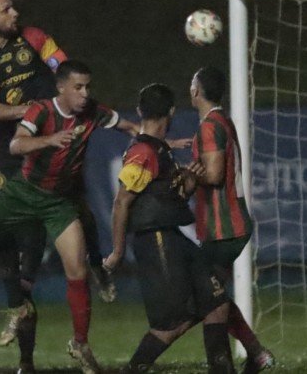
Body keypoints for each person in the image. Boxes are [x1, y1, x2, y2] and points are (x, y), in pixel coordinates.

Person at [0, 60, 140, 374]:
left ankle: (79, 343)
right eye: (78, 87)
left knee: (76, 268)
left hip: (57, 203)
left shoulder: (93, 112)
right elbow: (16, 143)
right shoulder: (42, 110)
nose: (85, 93)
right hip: (23, 193)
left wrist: (149, 137)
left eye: (88, 86)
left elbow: (128, 126)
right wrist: (48, 141)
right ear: (61, 87)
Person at [0, 0, 114, 369]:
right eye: (5, 8)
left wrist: (72, 98)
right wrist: (34, 111)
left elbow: (64, 70)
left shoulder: (35, 37)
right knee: (1, 235)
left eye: (13, 5)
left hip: (55, 145)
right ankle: (17, 311)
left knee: (76, 209)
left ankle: (98, 267)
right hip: (10, 149)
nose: (15, 11)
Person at [103, 83, 235, 373]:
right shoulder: (142, 152)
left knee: (217, 303)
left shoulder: (159, 150)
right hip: (157, 240)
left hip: (173, 236)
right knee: (171, 324)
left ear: (140, 111)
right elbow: (122, 202)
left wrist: (188, 182)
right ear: (172, 112)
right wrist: (117, 251)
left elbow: (161, 197)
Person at [190, 67, 275, 373]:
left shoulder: (210, 126)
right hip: (229, 225)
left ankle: (233, 360)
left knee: (206, 294)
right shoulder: (220, 121)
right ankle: (254, 355)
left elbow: (212, 174)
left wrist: (189, 175)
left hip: (224, 227)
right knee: (213, 294)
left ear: (196, 91)